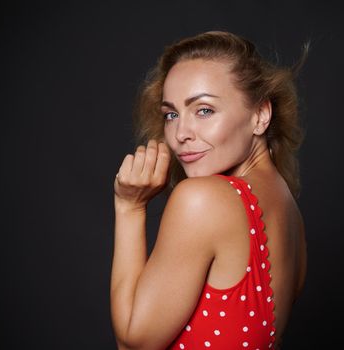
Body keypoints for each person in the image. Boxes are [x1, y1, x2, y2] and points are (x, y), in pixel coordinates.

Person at [110, 31, 308, 350]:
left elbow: (134, 342)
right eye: (171, 114)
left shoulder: (203, 198)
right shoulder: (287, 207)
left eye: (204, 110)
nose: (181, 134)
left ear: (260, 115)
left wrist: (129, 208)